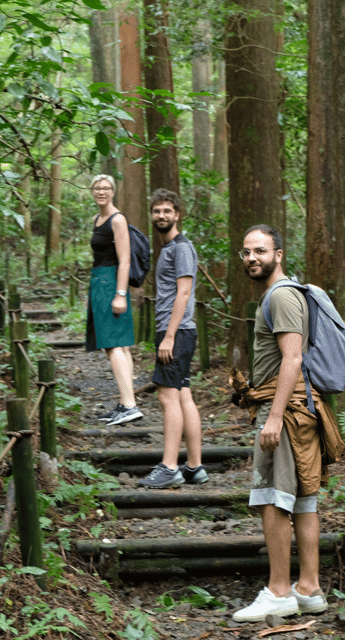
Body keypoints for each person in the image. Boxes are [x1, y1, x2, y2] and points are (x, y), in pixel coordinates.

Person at [229, 224, 345, 623]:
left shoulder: (280, 297)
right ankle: (309, 588)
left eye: (260, 251)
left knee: (273, 498)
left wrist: (273, 418)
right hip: (302, 408)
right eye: (246, 252)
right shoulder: (283, 295)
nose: (251, 259)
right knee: (303, 498)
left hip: (288, 409)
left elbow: (292, 359)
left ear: (278, 254)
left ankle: (279, 591)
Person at [138, 189, 208, 488]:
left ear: (177, 214)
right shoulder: (169, 248)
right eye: (157, 211)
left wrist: (168, 336)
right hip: (178, 331)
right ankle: (194, 466)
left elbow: (184, 292)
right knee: (182, 395)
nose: (162, 216)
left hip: (176, 331)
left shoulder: (181, 248)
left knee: (167, 396)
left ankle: (169, 468)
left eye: (167, 211)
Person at [85, 175, 142, 426]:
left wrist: (120, 294)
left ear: (113, 192)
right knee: (122, 345)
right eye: (97, 188)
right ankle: (127, 402)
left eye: (106, 188)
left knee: (112, 345)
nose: (101, 192)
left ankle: (129, 404)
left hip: (111, 283)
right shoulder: (97, 219)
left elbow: (125, 259)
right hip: (100, 281)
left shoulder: (117, 220)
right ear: (92, 192)